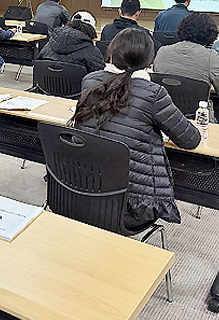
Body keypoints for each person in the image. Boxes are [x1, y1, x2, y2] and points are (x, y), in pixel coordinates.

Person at [72, 28, 200, 229]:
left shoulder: (91, 81)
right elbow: (190, 140)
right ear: (149, 61)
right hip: (133, 207)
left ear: (112, 53)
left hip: (84, 190)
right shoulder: (153, 93)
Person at [153, 12, 219, 96]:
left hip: (164, 103)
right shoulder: (211, 57)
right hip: (197, 104)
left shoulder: (162, 51)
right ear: (211, 33)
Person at [37, 18, 105, 73]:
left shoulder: (50, 44)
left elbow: (39, 61)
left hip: (46, 84)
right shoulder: (92, 50)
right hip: (78, 86)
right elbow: (98, 73)